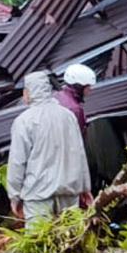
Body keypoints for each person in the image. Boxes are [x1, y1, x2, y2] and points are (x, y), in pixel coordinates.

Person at [6, 71, 91, 223]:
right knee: (70, 240)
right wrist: (85, 187)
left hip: (37, 197)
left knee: (38, 242)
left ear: (28, 92)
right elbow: (80, 153)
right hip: (69, 193)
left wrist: (15, 195)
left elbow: (17, 162)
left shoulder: (24, 121)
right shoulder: (68, 116)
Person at [57, 63, 97, 135]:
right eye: (88, 86)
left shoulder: (56, 95)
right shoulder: (75, 109)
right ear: (79, 87)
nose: (90, 89)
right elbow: (78, 136)